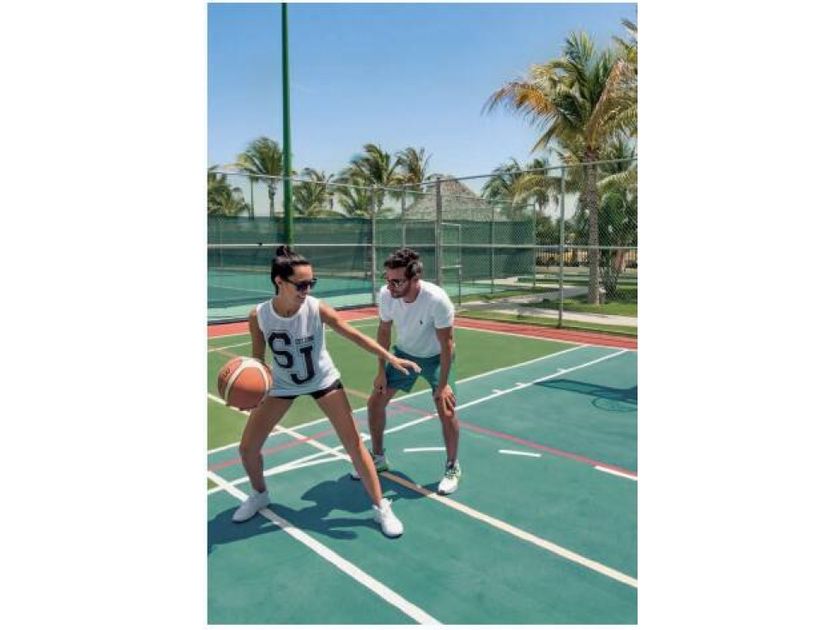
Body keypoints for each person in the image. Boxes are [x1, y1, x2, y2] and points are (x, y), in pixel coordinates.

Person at [232, 245, 421, 538]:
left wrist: (389, 357)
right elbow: (258, 361)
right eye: (301, 284)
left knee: (354, 444)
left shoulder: (316, 308)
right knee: (247, 448)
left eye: (312, 283)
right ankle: (260, 495)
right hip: (282, 384)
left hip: (323, 380)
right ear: (279, 282)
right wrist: (253, 392)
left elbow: (353, 334)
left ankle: (380, 506)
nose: (307, 289)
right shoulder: (259, 316)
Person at [353, 247, 462, 494]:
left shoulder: (437, 300)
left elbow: (447, 345)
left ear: (415, 278)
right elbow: (383, 331)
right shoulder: (387, 295)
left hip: (436, 358)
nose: (390, 286)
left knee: (446, 409)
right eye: (388, 279)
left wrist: (443, 385)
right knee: (375, 403)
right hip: (402, 355)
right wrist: (381, 370)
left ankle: (452, 466)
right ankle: (378, 458)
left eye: (397, 281)